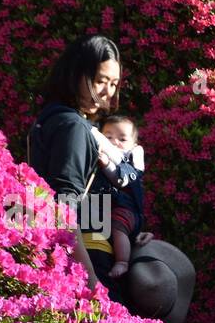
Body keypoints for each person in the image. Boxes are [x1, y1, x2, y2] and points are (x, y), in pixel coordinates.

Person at [26, 35, 153, 295]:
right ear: (76, 74)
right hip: (86, 260)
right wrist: (92, 280)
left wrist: (127, 233)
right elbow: (63, 209)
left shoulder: (51, 118)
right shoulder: (73, 127)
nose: (108, 92)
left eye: (114, 84)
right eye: (100, 81)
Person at [92, 113, 146, 283]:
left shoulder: (132, 160)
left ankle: (122, 261)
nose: (115, 142)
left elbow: (120, 180)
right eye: (108, 138)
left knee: (117, 227)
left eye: (122, 139)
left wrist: (107, 164)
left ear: (134, 144)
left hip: (126, 210)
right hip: (106, 208)